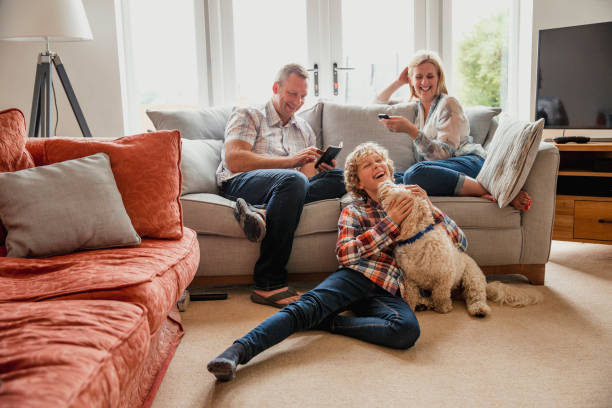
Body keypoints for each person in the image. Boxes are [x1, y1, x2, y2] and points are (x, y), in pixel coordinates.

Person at [206, 142, 468, 382]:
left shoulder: (412, 203)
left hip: (389, 287)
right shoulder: (353, 209)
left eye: (380, 161)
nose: (377, 165)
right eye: (368, 165)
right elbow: (345, 253)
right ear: (359, 182)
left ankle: (330, 322)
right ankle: (236, 352)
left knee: (406, 331)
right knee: (303, 309)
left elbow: (460, 242)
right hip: (355, 277)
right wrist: (390, 225)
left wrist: (430, 206)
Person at [216, 63, 346, 308]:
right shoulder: (249, 114)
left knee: (340, 177)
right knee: (292, 179)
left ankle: (263, 210)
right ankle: (268, 282)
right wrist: (292, 162)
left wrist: (318, 168)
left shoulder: (304, 128)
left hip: (288, 189)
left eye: (303, 96)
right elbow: (234, 160)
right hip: (240, 182)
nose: (298, 102)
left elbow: (303, 179)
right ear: (276, 88)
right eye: (292, 94)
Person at [375, 50, 531, 211]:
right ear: (411, 80)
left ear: (439, 78)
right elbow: (378, 103)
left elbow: (443, 155)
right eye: (418, 77)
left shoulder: (448, 104)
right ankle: (473, 191)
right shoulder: (416, 108)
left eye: (430, 76)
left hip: (467, 162)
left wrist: (412, 131)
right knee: (387, 179)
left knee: (415, 173)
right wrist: (399, 82)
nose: (424, 82)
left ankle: (497, 189)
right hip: (439, 170)